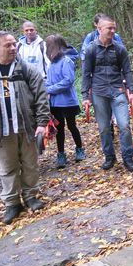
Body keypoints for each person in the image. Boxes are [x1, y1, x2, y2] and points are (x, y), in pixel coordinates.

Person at [0, 31, 49, 224]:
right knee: (8, 167)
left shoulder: (26, 69)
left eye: (14, 44)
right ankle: (12, 203)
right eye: (8, 45)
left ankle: (31, 197)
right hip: (0, 128)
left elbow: (41, 97)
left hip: (26, 125)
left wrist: (42, 123)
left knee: (30, 164)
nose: (13, 48)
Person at [82, 16, 133, 172]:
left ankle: (128, 158)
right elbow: (86, 74)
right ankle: (109, 157)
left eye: (114, 28)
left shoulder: (120, 49)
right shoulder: (91, 49)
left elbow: (127, 71)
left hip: (117, 91)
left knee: (124, 126)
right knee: (104, 128)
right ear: (99, 29)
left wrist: (131, 91)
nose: (113, 31)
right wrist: (85, 97)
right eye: (109, 28)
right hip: (99, 93)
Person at [44, 34, 85, 169]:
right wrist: (45, 88)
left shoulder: (66, 61)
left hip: (67, 102)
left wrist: (50, 89)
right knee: (59, 129)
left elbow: (68, 80)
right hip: (55, 103)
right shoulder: (51, 64)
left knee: (72, 126)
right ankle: (61, 154)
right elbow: (49, 81)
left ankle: (79, 149)